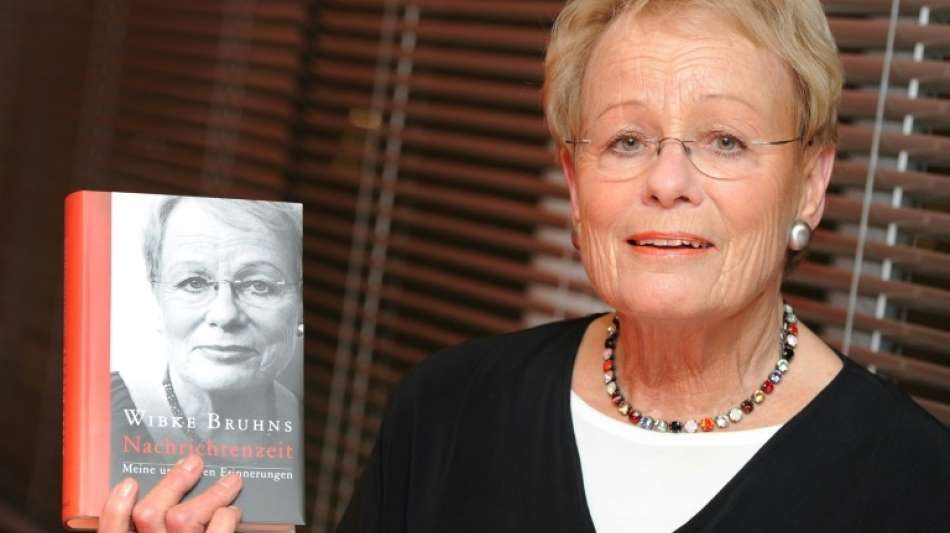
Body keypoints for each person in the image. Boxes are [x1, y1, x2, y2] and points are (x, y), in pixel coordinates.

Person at [336, 1, 950, 532]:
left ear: (810, 185)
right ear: (574, 183)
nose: (667, 182)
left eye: (725, 140)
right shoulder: (444, 413)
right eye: (627, 140)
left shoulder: (917, 484)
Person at [100, 195, 303, 532]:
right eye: (193, 283)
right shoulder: (97, 420)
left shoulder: (320, 443)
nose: (224, 314)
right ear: (156, 299)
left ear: (299, 305)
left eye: (259, 285)